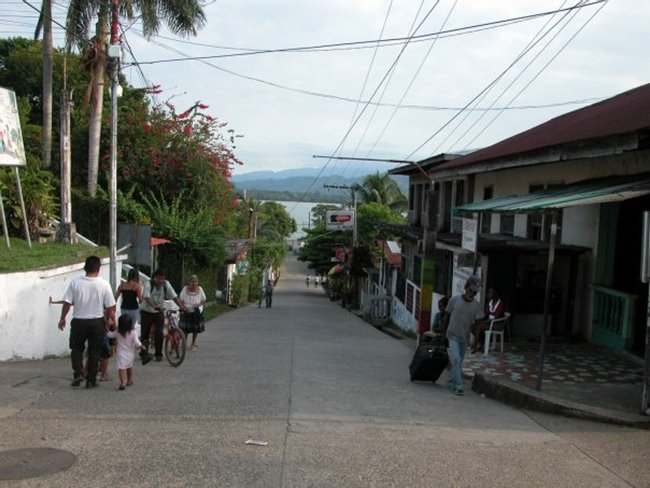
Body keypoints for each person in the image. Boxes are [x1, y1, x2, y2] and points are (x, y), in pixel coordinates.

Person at [57, 256, 116, 389]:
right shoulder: (104, 284)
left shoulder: (75, 283)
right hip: (97, 322)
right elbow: (110, 308)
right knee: (95, 352)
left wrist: (62, 318)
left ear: (85, 268)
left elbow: (67, 302)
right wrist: (109, 321)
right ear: (98, 269)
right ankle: (91, 380)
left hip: (79, 321)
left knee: (76, 349)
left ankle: (78, 373)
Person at [443, 276, 484, 396]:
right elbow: (446, 316)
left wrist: (475, 343)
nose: (472, 293)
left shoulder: (476, 306)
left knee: (458, 363)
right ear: (466, 288)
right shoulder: (454, 300)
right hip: (452, 335)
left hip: (464, 338)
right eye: (470, 290)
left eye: (475, 292)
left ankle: (450, 382)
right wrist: (442, 333)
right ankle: (458, 385)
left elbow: (477, 326)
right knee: (455, 360)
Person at [140, 269, 184, 362]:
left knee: (159, 333)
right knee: (145, 333)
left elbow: (174, 296)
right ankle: (144, 353)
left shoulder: (166, 284)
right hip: (146, 311)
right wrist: (154, 306)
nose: (161, 281)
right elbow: (147, 297)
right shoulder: (148, 284)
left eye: (162, 279)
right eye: (159, 278)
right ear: (154, 277)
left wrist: (182, 306)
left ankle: (158, 354)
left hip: (158, 311)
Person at [107, 314, 151, 390]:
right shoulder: (133, 333)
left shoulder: (118, 332)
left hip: (121, 354)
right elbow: (137, 343)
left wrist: (106, 329)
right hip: (130, 354)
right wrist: (142, 347)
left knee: (121, 369)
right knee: (129, 367)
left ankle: (123, 382)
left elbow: (110, 335)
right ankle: (129, 380)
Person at [471, 287, 506, 354]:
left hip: (497, 323)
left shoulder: (501, 303)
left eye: (490, 292)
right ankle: (482, 342)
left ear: (495, 294)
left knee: (479, 327)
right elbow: (486, 315)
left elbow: (496, 317)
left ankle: (478, 345)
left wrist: (483, 322)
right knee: (472, 326)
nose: (488, 294)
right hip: (489, 323)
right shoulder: (490, 302)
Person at [179, 275, 206, 351]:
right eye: (192, 281)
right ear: (189, 282)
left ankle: (193, 343)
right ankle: (184, 343)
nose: (194, 283)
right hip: (186, 311)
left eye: (196, 281)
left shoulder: (200, 289)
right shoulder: (185, 289)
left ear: (198, 282)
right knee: (185, 329)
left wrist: (198, 305)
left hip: (196, 312)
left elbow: (203, 300)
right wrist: (184, 307)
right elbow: (181, 300)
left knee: (195, 329)